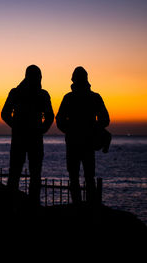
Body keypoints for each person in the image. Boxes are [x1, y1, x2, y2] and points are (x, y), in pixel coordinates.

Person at [56, 66, 110, 204]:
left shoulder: (69, 98)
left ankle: (78, 207)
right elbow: (105, 119)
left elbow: (60, 120)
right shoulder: (94, 97)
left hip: (76, 143)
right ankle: (89, 207)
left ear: (73, 80)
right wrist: (94, 129)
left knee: (76, 177)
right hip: (86, 143)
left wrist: (70, 131)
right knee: (88, 177)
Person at [1, 65, 54, 205]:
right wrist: (41, 129)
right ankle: (31, 205)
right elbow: (50, 116)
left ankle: (13, 205)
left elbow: (5, 114)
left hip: (24, 138)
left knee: (18, 173)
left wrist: (17, 126)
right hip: (32, 138)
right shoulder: (41, 94)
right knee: (30, 173)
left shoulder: (17, 93)